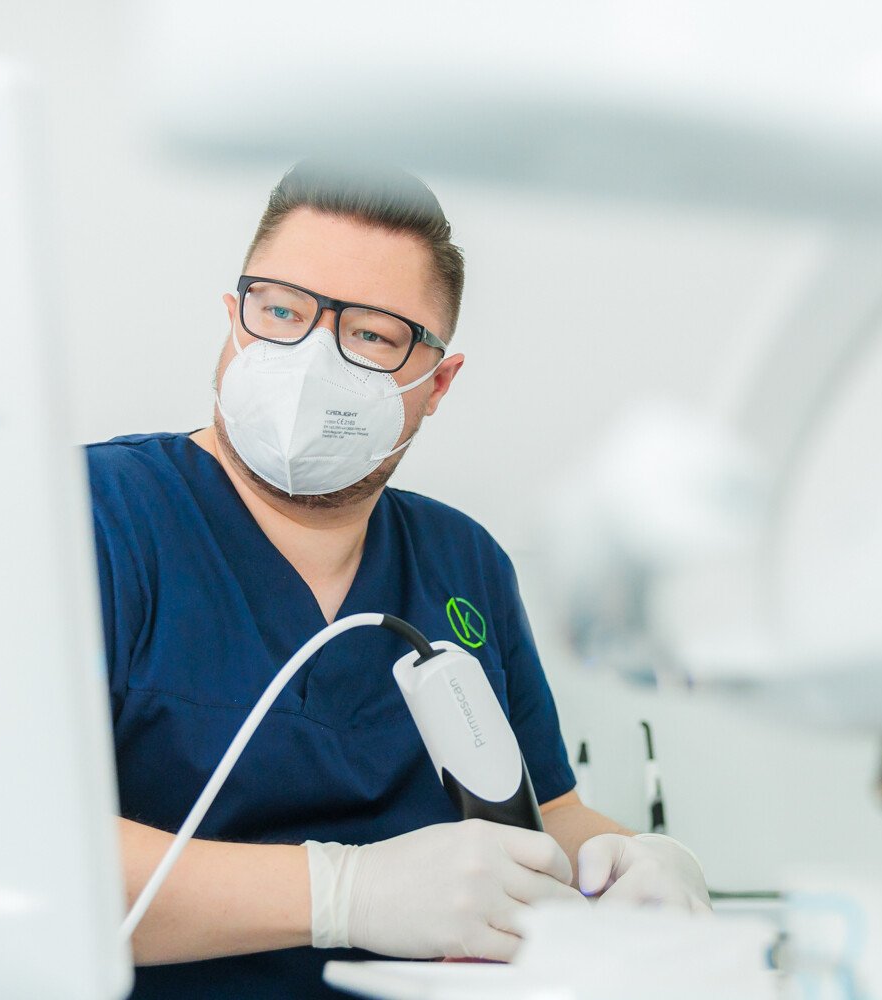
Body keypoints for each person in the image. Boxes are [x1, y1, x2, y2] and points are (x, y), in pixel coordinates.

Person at [89, 161, 711, 1000]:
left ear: (437, 383)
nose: (311, 359)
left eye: (373, 336)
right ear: (234, 319)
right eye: (282, 312)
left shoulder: (463, 562)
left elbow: (545, 815)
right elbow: (7, 853)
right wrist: (343, 894)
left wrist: (643, 861)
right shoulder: (91, 520)